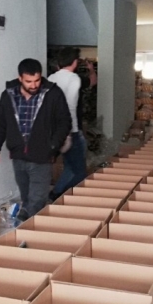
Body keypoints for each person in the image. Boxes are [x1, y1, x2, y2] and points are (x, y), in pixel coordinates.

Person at [0, 58, 71, 220]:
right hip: (18, 156)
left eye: (37, 80)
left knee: (36, 201)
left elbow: (64, 122)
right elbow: (1, 124)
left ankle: (28, 227)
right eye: (28, 81)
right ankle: (30, 225)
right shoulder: (8, 95)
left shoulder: (53, 93)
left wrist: (52, 146)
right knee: (26, 199)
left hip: (42, 156)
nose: (33, 85)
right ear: (20, 78)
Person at [47, 48, 89, 200]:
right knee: (79, 171)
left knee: (70, 166)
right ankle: (70, 199)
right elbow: (70, 106)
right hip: (70, 130)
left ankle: (56, 193)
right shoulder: (73, 79)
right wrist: (70, 132)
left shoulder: (50, 78)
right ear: (75, 62)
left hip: (55, 130)